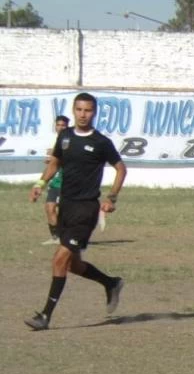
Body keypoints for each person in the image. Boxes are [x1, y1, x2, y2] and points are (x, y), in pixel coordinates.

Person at [26, 93, 126, 331]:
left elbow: (121, 169)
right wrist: (40, 184)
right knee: (73, 265)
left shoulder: (101, 142)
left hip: (86, 209)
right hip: (66, 206)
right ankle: (111, 283)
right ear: (74, 110)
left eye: (88, 110)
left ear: (95, 112)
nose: (83, 114)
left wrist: (111, 198)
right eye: (79, 110)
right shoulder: (66, 135)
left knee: (59, 259)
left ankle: (45, 316)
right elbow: (55, 162)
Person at [40, 115, 70, 246]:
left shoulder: (70, 140)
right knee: (49, 207)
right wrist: (41, 182)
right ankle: (55, 237)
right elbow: (53, 163)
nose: (60, 128)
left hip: (67, 180)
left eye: (63, 125)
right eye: (58, 125)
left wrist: (55, 157)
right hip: (56, 180)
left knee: (65, 211)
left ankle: (69, 236)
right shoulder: (57, 141)